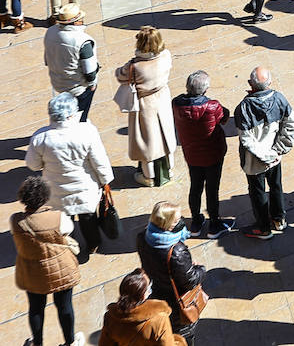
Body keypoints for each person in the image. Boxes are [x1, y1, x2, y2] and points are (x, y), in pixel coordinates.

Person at [25, 92, 114, 257]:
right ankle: (93, 244)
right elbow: (99, 161)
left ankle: (68, 245)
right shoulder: (87, 131)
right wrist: (105, 181)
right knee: (88, 219)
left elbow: (33, 164)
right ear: (72, 114)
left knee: (63, 221)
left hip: (56, 191)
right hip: (85, 189)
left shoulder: (40, 137)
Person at [11, 175, 81, 346]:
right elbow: (68, 230)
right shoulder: (58, 217)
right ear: (45, 196)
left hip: (32, 271)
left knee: (36, 309)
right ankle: (70, 342)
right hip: (60, 269)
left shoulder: (16, 221)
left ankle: (38, 343)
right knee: (64, 306)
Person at [234, 66, 294, 239]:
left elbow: (246, 139)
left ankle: (263, 228)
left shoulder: (243, 108)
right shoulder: (279, 99)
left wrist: (266, 155)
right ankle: (279, 220)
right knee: (276, 186)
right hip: (275, 157)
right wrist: (277, 150)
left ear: (250, 84)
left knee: (258, 193)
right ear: (270, 82)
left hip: (254, 161)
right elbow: (292, 124)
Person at [171, 70, 232, 238]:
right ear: (205, 89)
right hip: (213, 154)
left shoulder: (176, 104)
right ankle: (214, 224)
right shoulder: (212, 106)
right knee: (212, 189)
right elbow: (224, 116)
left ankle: (196, 222)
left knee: (195, 186)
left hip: (191, 154)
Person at [135, 201, 205, 346]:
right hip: (177, 300)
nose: (180, 223)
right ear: (168, 224)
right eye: (177, 220)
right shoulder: (176, 251)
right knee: (184, 336)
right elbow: (190, 279)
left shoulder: (143, 236)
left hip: (155, 294)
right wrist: (200, 269)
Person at [115, 27, 177, 188]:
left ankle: (149, 177)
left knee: (148, 141)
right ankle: (168, 170)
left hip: (145, 103)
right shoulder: (166, 55)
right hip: (162, 98)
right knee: (165, 135)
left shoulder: (135, 66)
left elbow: (120, 76)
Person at [97, 268, 184, 346]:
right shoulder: (159, 319)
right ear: (143, 296)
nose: (150, 291)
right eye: (149, 288)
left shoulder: (110, 317)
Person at [43, 3, 98, 122]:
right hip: (78, 87)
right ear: (75, 22)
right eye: (80, 19)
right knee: (79, 118)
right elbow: (89, 71)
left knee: (67, 115)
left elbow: (47, 58)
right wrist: (92, 84)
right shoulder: (82, 40)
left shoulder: (50, 31)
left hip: (58, 82)